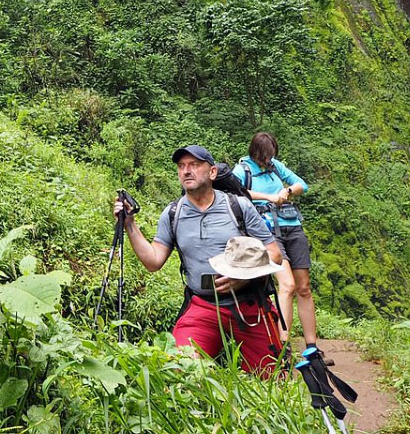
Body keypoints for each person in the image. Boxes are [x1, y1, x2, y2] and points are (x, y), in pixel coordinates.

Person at [116, 145, 286, 372]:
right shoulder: (173, 213)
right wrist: (130, 225)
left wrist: (242, 278)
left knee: (270, 378)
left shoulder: (237, 206)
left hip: (248, 304)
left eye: (194, 165)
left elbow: (274, 253)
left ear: (212, 172)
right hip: (203, 306)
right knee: (180, 369)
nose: (186, 171)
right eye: (181, 166)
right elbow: (153, 261)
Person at [234, 133, 317, 350]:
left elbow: (302, 185)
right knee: (287, 285)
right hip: (268, 233)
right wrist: (269, 197)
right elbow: (235, 193)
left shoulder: (275, 166)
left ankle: (312, 348)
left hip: (292, 226)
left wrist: (287, 190)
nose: (267, 161)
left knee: (304, 287)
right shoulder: (243, 169)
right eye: (264, 157)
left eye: (270, 157)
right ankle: (283, 346)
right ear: (255, 153)